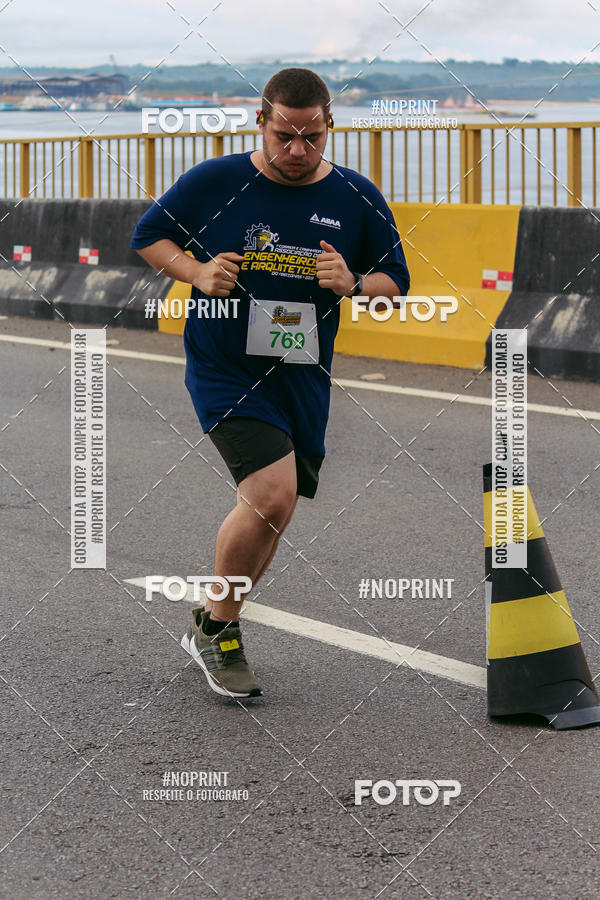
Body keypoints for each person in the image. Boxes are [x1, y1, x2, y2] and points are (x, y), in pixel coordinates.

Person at [131, 67, 410, 699]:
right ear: (262, 122)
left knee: (277, 509)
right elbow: (149, 237)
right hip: (225, 364)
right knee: (270, 491)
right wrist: (197, 273)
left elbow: (397, 283)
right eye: (285, 135)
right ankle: (220, 633)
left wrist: (355, 284)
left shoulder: (356, 196)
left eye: (312, 137)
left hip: (303, 375)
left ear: (329, 127)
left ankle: (212, 619)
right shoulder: (217, 180)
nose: (297, 150)